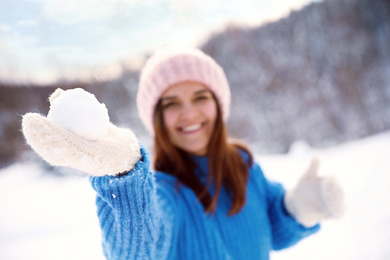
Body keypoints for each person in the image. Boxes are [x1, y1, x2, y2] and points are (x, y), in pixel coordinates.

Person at [22, 47, 344, 260]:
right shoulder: (163, 190)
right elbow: (138, 251)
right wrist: (124, 177)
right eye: (171, 103)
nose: (188, 113)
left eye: (200, 97)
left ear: (218, 105)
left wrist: (297, 208)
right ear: (157, 118)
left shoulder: (244, 167)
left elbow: (273, 226)